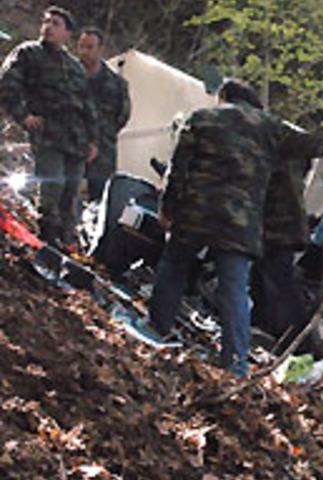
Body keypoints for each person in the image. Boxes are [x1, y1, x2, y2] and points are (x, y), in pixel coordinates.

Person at [140, 79, 286, 377]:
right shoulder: (269, 128)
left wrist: (167, 208)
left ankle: (155, 331)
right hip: (239, 224)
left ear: (223, 96)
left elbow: (179, 167)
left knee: (173, 267)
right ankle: (235, 364)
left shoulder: (203, 118)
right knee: (233, 289)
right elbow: (306, 150)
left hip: (196, 213)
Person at [0, 6, 99, 246]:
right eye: (46, 22)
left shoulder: (75, 67)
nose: (48, 27)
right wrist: (23, 116)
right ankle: (47, 237)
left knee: (71, 191)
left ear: (68, 33)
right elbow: (8, 83)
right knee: (52, 186)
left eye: (55, 23)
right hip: (48, 135)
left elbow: (87, 104)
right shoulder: (29, 53)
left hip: (75, 140)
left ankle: (64, 242)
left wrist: (93, 140)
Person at [252, 123, 323, 351]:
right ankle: (272, 329)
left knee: (279, 283)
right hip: (288, 227)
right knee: (270, 279)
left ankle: (293, 339)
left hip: (276, 228)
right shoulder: (291, 151)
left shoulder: (266, 149)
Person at [77, 26, 131, 201]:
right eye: (82, 46)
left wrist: (102, 133)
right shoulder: (67, 77)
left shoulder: (116, 84)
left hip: (102, 156)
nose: (84, 52)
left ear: (101, 50)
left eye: (90, 47)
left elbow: (122, 116)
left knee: (99, 203)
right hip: (70, 150)